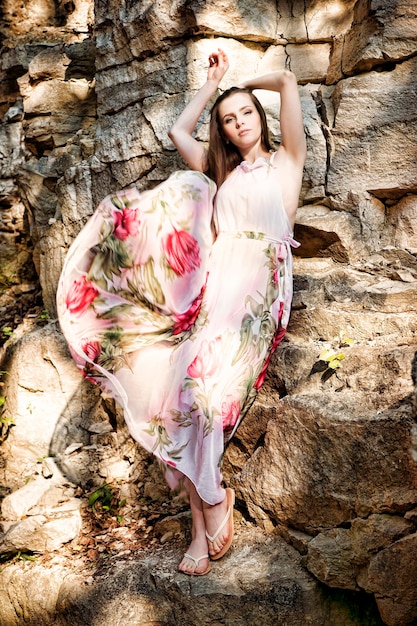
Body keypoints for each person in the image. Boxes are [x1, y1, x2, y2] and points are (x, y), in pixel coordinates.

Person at [56, 47, 306, 577]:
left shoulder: (288, 163)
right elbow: (177, 131)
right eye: (228, 120)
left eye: (246, 115)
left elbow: (286, 79)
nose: (239, 125)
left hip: (258, 298)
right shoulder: (220, 170)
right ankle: (207, 515)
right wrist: (212, 87)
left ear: (261, 117)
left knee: (206, 398)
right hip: (215, 293)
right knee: (184, 398)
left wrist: (242, 83)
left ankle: (209, 507)